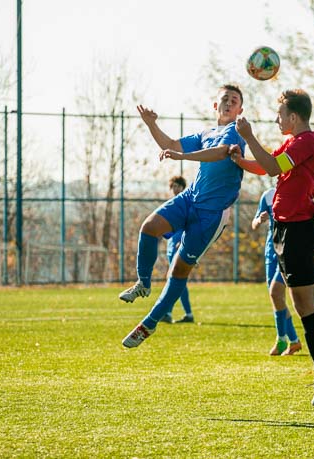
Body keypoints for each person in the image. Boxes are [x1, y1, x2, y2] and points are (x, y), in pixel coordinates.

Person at [233, 89, 314, 407]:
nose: (276, 119)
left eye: (279, 114)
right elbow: (267, 165)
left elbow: (272, 167)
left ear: (294, 117)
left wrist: (249, 136)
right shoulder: (293, 142)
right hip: (283, 229)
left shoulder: (307, 141)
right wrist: (240, 160)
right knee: (303, 300)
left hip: (297, 229)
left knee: (303, 303)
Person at [119, 84, 246, 348]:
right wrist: (151, 124)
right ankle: (143, 282)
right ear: (215, 105)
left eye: (234, 101)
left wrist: (181, 156)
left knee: (178, 270)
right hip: (190, 198)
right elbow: (171, 144)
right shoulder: (206, 132)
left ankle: (149, 323)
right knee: (149, 226)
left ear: (239, 110)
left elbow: (220, 153)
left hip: (211, 214)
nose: (228, 103)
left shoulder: (237, 130)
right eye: (224, 98)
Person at [252, 187, 302, 356]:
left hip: (287, 251)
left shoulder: (296, 191)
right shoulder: (267, 195)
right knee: (276, 298)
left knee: (276, 293)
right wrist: (259, 219)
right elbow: (254, 223)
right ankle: (293, 341)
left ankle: (282, 339)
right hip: (270, 252)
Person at [159, 175, 194, 325]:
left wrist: (184, 242)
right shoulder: (173, 204)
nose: (175, 189)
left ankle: (169, 312)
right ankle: (186, 314)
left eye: (178, 186)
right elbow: (168, 229)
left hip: (180, 246)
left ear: (182, 187)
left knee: (175, 279)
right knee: (176, 280)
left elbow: (191, 225)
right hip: (171, 247)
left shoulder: (186, 205)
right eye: (173, 186)